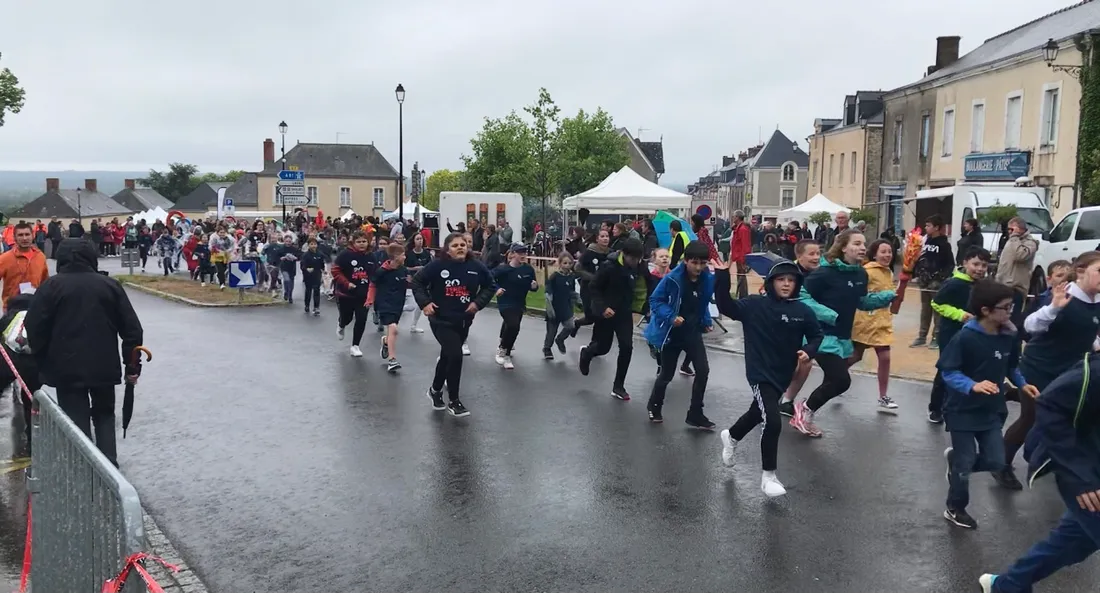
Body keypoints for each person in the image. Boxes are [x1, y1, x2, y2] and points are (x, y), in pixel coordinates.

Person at [978, 354, 1100, 592]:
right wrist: (1080, 477)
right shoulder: (1095, 372)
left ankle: (1007, 585)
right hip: (1090, 477)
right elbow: (1050, 404)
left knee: (1072, 541)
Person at [24, 239, 144, 467]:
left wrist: (42, 361)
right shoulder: (109, 285)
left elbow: (34, 327)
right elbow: (132, 330)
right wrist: (132, 366)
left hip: (66, 369)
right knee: (105, 416)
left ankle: (84, 470)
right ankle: (110, 468)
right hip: (104, 366)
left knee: (76, 424)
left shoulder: (51, 287)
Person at [714, 257, 822, 497]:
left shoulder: (802, 311)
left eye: (791, 280)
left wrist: (809, 350)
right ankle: (768, 477)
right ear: (771, 282)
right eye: (781, 280)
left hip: (783, 373)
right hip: (759, 372)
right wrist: (722, 277)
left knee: (758, 411)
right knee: (771, 420)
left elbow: (816, 335)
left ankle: (731, 436)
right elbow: (726, 307)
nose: (786, 284)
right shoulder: (754, 305)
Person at [938, 279, 1039, 529]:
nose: (1010, 312)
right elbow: (948, 372)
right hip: (961, 410)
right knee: (964, 464)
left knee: (996, 461)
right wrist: (972, 385)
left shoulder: (1009, 336)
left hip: (992, 409)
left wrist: (1022, 384)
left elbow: (1011, 366)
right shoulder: (965, 338)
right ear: (986, 310)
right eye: (1006, 308)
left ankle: (957, 462)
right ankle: (955, 507)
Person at [996, 252, 1100, 490]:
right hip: (1038, 370)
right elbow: (1030, 326)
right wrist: (1053, 307)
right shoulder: (1061, 296)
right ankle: (1000, 464)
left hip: (1071, 374)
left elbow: (1088, 333)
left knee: (1073, 420)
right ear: (1081, 271)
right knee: (1030, 419)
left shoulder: (1096, 301)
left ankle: (1057, 462)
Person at [789, 230, 895, 437]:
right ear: (843, 247)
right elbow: (801, 295)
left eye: (864, 243)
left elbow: (861, 302)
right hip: (821, 336)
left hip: (843, 337)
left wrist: (886, 297)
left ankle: (802, 409)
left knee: (833, 381)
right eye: (856, 243)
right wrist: (829, 314)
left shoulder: (860, 274)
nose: (863, 248)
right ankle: (802, 411)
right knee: (841, 380)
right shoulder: (824, 273)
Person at [411, 233, 494, 417]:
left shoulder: (476, 267)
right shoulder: (437, 266)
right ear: (447, 249)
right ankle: (454, 401)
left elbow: (490, 285)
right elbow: (417, 282)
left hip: (463, 320)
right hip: (440, 319)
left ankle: (434, 390)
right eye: (455, 245)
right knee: (456, 355)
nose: (460, 248)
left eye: (463, 244)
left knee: (448, 356)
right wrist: (425, 303)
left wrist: (478, 303)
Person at [643, 241, 715, 428]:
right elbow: (655, 300)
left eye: (703, 263)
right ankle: (654, 405)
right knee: (666, 374)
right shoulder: (672, 278)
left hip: (692, 331)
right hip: (671, 332)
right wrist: (671, 317)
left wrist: (706, 321)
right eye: (695, 263)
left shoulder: (706, 278)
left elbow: (703, 302)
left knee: (703, 371)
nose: (699, 267)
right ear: (686, 261)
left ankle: (695, 413)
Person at [926, 246, 992, 424]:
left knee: (968, 369)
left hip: (974, 336)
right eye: (976, 264)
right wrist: (960, 315)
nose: (979, 269)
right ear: (965, 263)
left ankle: (958, 406)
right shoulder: (954, 283)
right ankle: (936, 408)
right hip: (951, 334)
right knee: (947, 369)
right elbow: (937, 303)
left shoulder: (984, 285)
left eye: (984, 265)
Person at [579, 237, 645, 401]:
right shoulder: (609, 267)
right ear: (624, 254)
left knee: (627, 347)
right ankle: (587, 353)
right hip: (606, 312)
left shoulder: (639, 267)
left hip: (624, 313)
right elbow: (594, 287)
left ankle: (618, 386)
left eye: (638, 258)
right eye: (632, 258)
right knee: (603, 348)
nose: (635, 262)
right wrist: (603, 307)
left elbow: (647, 283)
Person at [779, 239, 828, 417]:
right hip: (786, 323)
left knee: (806, 362)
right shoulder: (789, 273)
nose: (816, 257)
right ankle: (775, 393)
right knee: (788, 366)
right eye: (811, 254)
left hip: (809, 326)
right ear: (799, 256)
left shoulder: (823, 272)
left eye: (818, 253)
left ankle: (787, 401)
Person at [849, 239, 899, 411]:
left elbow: (893, 299)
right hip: (865, 320)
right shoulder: (866, 271)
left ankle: (883, 395)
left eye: (890, 252)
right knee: (855, 356)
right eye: (883, 252)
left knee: (885, 358)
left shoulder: (889, 273)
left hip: (883, 321)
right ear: (874, 253)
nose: (887, 255)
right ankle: (835, 377)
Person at [0, 293, 42, 453]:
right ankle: (32, 441)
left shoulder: (8, 318)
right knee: (30, 402)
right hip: (31, 365)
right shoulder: (36, 317)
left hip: (7, 362)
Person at [912, 214, 955, 348]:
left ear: (937, 227)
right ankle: (922, 336)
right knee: (925, 310)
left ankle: (936, 337)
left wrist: (941, 277)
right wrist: (918, 273)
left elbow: (950, 264)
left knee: (937, 310)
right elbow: (919, 259)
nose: (926, 228)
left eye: (929, 226)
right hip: (924, 281)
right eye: (926, 225)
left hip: (936, 282)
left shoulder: (944, 244)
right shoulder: (925, 242)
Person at [492, 244, 538, 370]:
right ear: (512, 254)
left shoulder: (528, 270)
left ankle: (505, 346)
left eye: (524, 253)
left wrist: (534, 287)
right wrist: (497, 289)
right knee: (513, 325)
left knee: (513, 327)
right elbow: (490, 279)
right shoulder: (503, 269)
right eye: (519, 253)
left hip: (519, 303)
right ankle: (503, 351)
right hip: (505, 302)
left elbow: (533, 286)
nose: (523, 255)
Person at [331, 231, 373, 357]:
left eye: (364, 242)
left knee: (361, 319)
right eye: (359, 242)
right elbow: (335, 270)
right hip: (346, 294)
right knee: (347, 317)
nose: (361, 244)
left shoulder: (371, 256)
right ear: (353, 243)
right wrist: (346, 283)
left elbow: (376, 273)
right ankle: (341, 324)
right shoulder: (345, 255)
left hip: (363, 295)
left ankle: (355, 346)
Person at [995, 216, 1039, 327]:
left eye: (1012, 229)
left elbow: (1020, 255)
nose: (1009, 232)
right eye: (1008, 230)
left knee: (1012, 321)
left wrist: (1014, 237)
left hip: (1016, 287)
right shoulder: (1011, 240)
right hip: (1002, 285)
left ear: (1020, 229)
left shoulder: (1030, 243)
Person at [372, 243, 408, 373]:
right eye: (403, 254)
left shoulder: (404, 270)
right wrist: (371, 300)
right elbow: (373, 284)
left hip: (398, 304)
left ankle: (386, 341)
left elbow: (408, 284)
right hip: (385, 303)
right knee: (393, 329)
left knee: (393, 331)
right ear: (396, 256)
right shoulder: (382, 271)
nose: (405, 256)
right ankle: (392, 360)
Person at [0, 222, 48, 310]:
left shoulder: (40, 256)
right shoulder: (5, 258)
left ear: (33, 235)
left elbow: (45, 282)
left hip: (35, 305)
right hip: (12, 307)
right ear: (15, 237)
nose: (24, 238)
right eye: (20, 235)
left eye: (27, 234)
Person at [543, 252, 579, 359]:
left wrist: (577, 299)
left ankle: (560, 339)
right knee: (551, 332)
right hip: (554, 307)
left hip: (566, 307)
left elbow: (573, 290)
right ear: (560, 263)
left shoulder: (572, 276)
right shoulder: (555, 276)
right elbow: (548, 290)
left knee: (570, 326)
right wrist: (549, 303)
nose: (567, 265)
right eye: (565, 263)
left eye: (569, 263)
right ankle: (547, 348)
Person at [404, 233, 432, 333]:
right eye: (417, 239)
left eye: (421, 239)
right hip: (410, 280)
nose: (420, 241)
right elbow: (404, 267)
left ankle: (413, 326)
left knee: (420, 304)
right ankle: (397, 310)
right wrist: (414, 268)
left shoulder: (426, 253)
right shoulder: (408, 254)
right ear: (414, 241)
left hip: (422, 282)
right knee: (411, 306)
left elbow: (430, 267)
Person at [300, 237, 325, 315]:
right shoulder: (305, 255)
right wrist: (306, 269)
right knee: (308, 290)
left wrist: (323, 270)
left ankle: (316, 307)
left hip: (317, 274)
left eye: (315, 244)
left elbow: (322, 264)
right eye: (311, 244)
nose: (313, 246)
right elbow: (302, 265)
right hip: (308, 275)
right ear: (308, 245)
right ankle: (307, 305)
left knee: (316, 290)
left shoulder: (320, 254)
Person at [277, 233, 302, 304]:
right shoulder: (281, 248)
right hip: (284, 267)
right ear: (284, 241)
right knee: (286, 279)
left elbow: (299, 256)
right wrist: (281, 258)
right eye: (286, 241)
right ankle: (286, 292)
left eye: (289, 241)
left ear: (291, 242)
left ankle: (290, 294)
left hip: (292, 267)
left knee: (291, 282)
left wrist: (295, 258)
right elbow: (277, 256)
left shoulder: (294, 249)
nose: (288, 243)